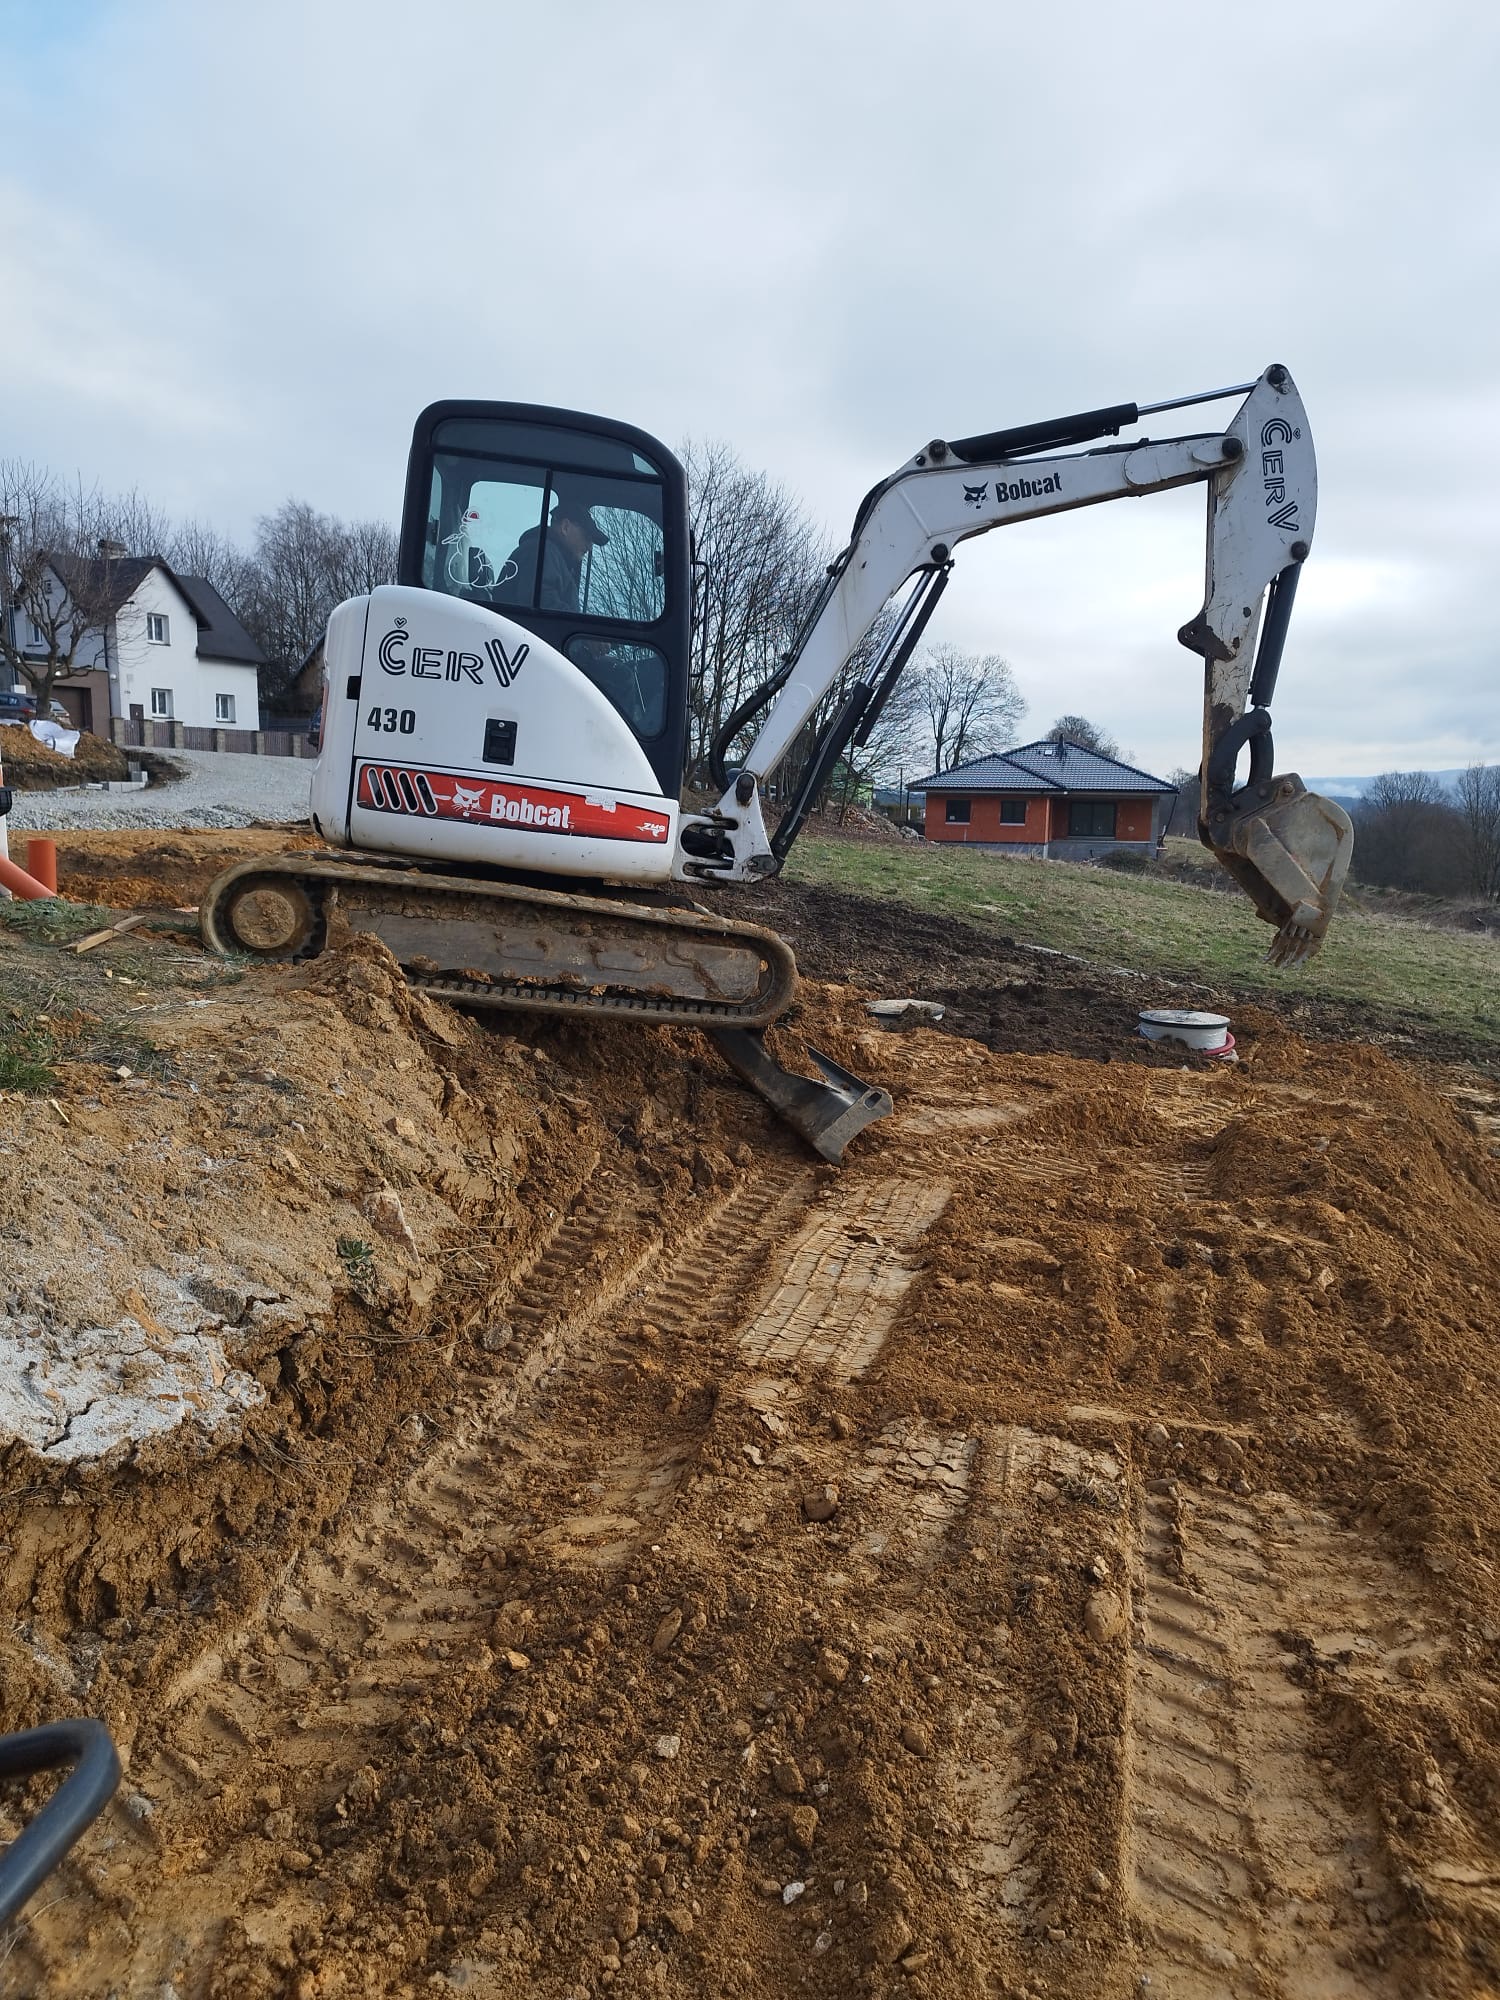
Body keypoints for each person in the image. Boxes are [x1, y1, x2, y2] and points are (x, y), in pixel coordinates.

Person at [500, 489, 608, 612]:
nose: (589, 547)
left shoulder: (552, 556)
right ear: (565, 527)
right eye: (587, 537)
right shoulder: (541, 553)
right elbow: (543, 609)